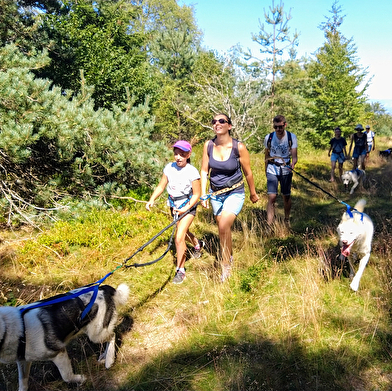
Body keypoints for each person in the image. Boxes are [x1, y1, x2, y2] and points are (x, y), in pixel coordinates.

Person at [200, 113, 259, 282]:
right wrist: (204, 193)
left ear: (229, 126)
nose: (217, 123)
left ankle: (225, 268)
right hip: (215, 194)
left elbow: (248, 172)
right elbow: (204, 171)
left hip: (235, 192)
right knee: (223, 230)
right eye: (214, 121)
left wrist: (253, 193)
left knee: (224, 225)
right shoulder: (208, 145)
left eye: (221, 121)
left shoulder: (238, 147)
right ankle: (229, 256)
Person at [146, 140, 202, 284]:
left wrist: (186, 208)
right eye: (176, 154)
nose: (178, 157)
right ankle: (197, 244)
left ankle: (180, 270)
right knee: (182, 232)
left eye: (182, 154)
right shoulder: (169, 168)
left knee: (178, 237)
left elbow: (197, 194)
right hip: (174, 205)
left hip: (188, 205)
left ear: (188, 155)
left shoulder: (192, 171)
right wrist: (152, 199)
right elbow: (161, 186)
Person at [264, 114, 298, 227]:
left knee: (286, 195)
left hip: (286, 169)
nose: (278, 129)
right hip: (272, 168)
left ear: (285, 125)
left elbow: (294, 154)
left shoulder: (291, 137)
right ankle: (269, 225)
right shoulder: (268, 137)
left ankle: (286, 219)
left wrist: (293, 163)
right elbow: (266, 154)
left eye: (280, 127)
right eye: (276, 127)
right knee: (272, 197)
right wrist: (266, 169)